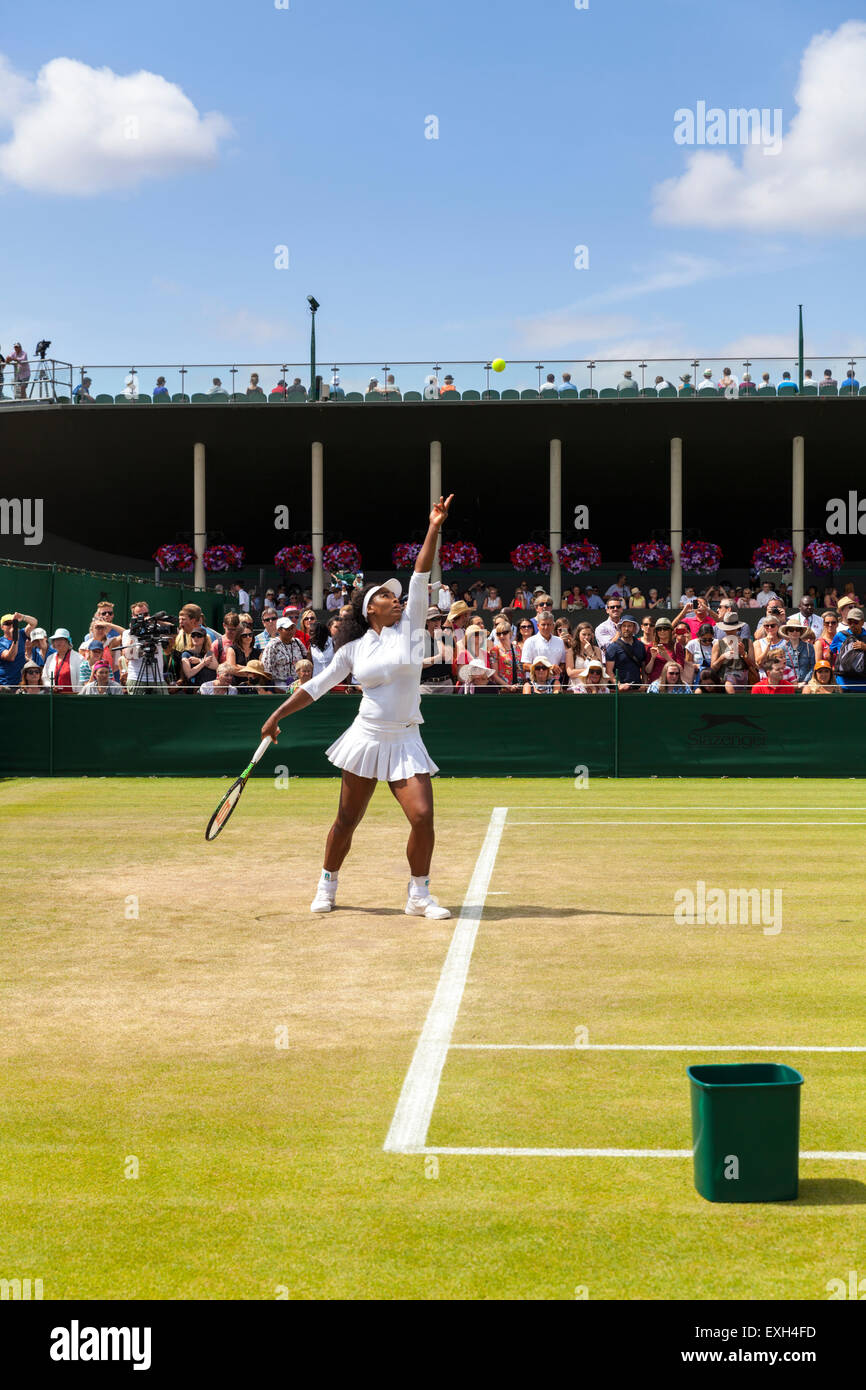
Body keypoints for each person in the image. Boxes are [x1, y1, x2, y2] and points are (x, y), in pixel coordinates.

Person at [261, 495, 455, 920]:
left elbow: (421, 573)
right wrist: (275, 716)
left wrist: (434, 527)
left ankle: (418, 895)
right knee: (346, 819)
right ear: (371, 609)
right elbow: (314, 687)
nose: (397, 598)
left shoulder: (411, 624)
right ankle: (326, 884)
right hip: (366, 738)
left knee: (422, 816)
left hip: (406, 737)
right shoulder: (352, 650)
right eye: (387, 595)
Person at [711, 615, 757, 693]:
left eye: (732, 629)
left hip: (743, 680)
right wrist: (723, 657)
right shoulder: (718, 644)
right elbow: (713, 668)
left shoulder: (748, 642)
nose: (729, 631)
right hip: (724, 681)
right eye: (728, 629)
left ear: (737, 628)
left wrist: (743, 654)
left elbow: (753, 665)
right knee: (728, 683)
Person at [605, 614, 647, 692]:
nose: (626, 628)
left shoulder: (640, 646)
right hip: (619, 691)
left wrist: (644, 684)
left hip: (637, 689)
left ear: (634, 628)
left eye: (629, 626)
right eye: (624, 626)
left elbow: (643, 668)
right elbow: (609, 671)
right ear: (620, 628)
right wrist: (618, 685)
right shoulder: (613, 647)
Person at [521, 609, 566, 680]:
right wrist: (547, 668)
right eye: (543, 624)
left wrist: (558, 669)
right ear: (538, 626)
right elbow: (525, 666)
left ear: (553, 626)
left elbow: (563, 663)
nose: (546, 627)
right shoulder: (530, 641)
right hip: (534, 682)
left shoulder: (560, 641)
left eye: (549, 624)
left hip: (555, 682)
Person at [830, 607, 866, 692]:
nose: (852, 625)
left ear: (862, 622)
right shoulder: (839, 636)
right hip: (843, 683)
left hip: (863, 684)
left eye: (856, 622)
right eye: (850, 622)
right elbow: (831, 652)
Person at [0, 611, 38, 687]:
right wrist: (15, 638)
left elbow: (34, 623)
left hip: (21, 684)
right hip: (5, 684)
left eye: (13, 623)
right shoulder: (1, 642)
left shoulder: (21, 633)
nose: (11, 625)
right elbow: (11, 657)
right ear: (2, 627)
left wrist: (23, 617)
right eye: (7, 623)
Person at [487, 618, 522, 691]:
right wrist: (509, 687)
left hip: (519, 688)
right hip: (503, 690)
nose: (501, 636)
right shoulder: (495, 651)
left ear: (510, 633)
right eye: (499, 634)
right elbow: (495, 675)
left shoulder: (517, 648)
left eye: (504, 633)